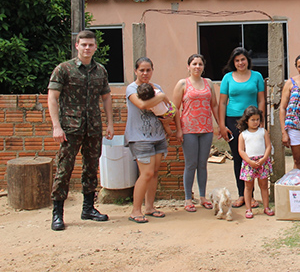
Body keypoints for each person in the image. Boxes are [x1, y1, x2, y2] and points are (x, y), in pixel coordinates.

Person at [48, 30, 114, 231]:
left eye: (90, 45)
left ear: (95, 47)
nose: (87, 48)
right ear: (77, 46)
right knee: (64, 169)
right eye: (83, 44)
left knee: (91, 168)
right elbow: (52, 97)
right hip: (70, 128)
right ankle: (57, 214)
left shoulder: (100, 71)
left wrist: (110, 123)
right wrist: (56, 126)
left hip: (93, 127)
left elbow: (106, 97)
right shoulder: (64, 69)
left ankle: (88, 208)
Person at [125, 57, 178, 223]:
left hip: (158, 136)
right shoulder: (131, 89)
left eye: (148, 70)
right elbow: (142, 105)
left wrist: (168, 123)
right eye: (142, 70)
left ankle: (149, 207)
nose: (145, 73)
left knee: (154, 173)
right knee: (146, 173)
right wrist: (161, 97)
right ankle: (135, 210)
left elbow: (167, 110)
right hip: (140, 138)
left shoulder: (158, 88)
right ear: (136, 71)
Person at [218, 47, 266, 208]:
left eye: (243, 59)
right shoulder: (227, 78)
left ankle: (252, 197)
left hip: (252, 120)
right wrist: (222, 125)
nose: (240, 63)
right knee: (239, 158)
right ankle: (242, 195)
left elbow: (261, 100)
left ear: (248, 61)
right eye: (237, 60)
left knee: (253, 157)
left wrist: (261, 121)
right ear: (233, 62)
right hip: (232, 121)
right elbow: (222, 102)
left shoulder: (257, 76)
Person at [172, 54, 220, 212]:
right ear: (188, 66)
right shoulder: (182, 84)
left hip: (206, 129)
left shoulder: (209, 83)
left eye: (200, 64)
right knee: (191, 164)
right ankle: (187, 198)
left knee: (202, 164)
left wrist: (219, 125)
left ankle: (203, 197)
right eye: (194, 64)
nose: (197, 67)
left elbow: (214, 105)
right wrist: (179, 129)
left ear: (203, 67)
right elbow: (175, 108)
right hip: (189, 130)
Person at [237, 106, 274, 218]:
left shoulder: (263, 132)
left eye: (257, 119)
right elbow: (241, 150)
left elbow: (268, 146)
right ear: (246, 120)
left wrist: (263, 159)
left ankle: (266, 207)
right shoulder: (243, 135)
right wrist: (249, 161)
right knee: (248, 187)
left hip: (262, 162)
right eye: (252, 120)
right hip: (249, 164)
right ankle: (248, 209)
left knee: (263, 185)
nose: (255, 122)